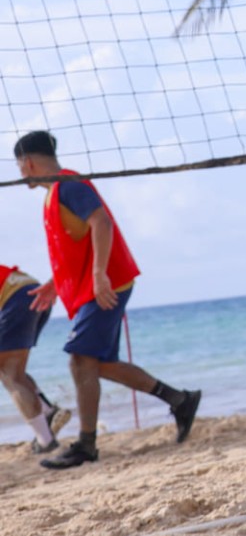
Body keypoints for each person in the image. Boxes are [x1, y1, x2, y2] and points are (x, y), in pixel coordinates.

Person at [15, 130, 201, 469]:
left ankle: (86, 445)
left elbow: (101, 222)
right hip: (95, 285)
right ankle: (180, 400)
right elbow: (78, 243)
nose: (20, 173)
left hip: (104, 285)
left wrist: (100, 274)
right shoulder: (55, 192)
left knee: (79, 360)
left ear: (27, 163)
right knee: (99, 364)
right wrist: (56, 283)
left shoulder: (68, 185)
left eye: (18, 166)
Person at [0, 259, 70, 452]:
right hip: (33, 290)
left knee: (10, 374)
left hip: (16, 297)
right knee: (13, 370)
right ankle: (46, 411)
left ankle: (45, 441)